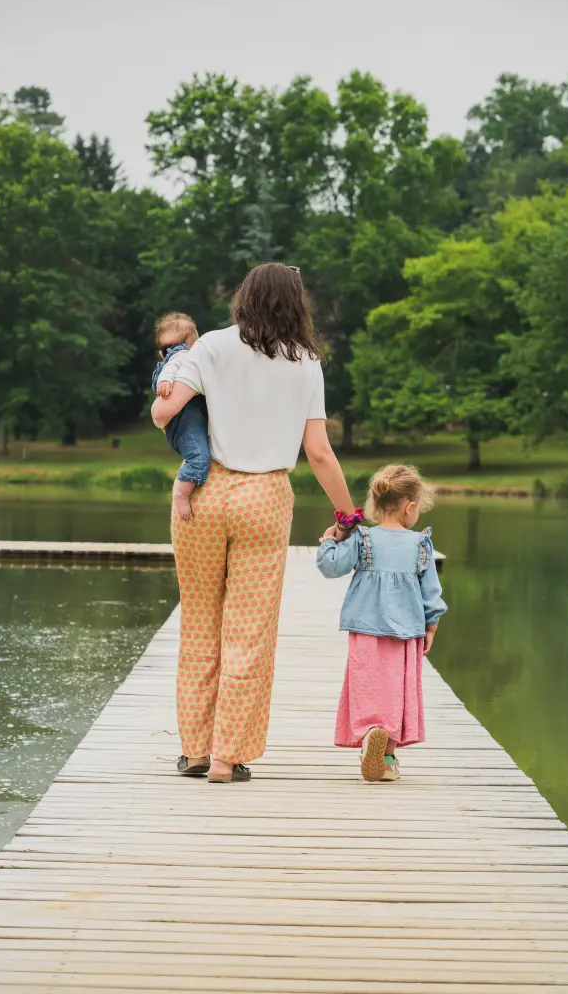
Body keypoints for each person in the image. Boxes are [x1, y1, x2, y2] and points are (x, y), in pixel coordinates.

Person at [150, 263, 355, 784]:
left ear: (244, 297)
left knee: (200, 620)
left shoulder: (212, 345)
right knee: (249, 630)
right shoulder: (305, 361)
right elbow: (319, 452)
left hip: (204, 492)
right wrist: (347, 513)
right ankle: (227, 757)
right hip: (264, 498)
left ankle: (195, 751)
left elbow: (163, 412)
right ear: (296, 303)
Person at [316, 464, 447, 783]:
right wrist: (432, 624)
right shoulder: (420, 544)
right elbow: (430, 591)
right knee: (396, 689)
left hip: (365, 628)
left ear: (375, 503)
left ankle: (369, 733)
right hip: (406, 631)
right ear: (410, 507)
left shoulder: (363, 539)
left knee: (367, 684)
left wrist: (330, 539)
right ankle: (386, 758)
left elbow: (331, 567)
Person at [152, 313, 210, 521]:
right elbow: (173, 365)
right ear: (195, 344)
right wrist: (165, 381)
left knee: (196, 454)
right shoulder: (183, 354)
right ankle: (181, 494)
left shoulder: (175, 357)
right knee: (199, 457)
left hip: (184, 420)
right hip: (186, 419)